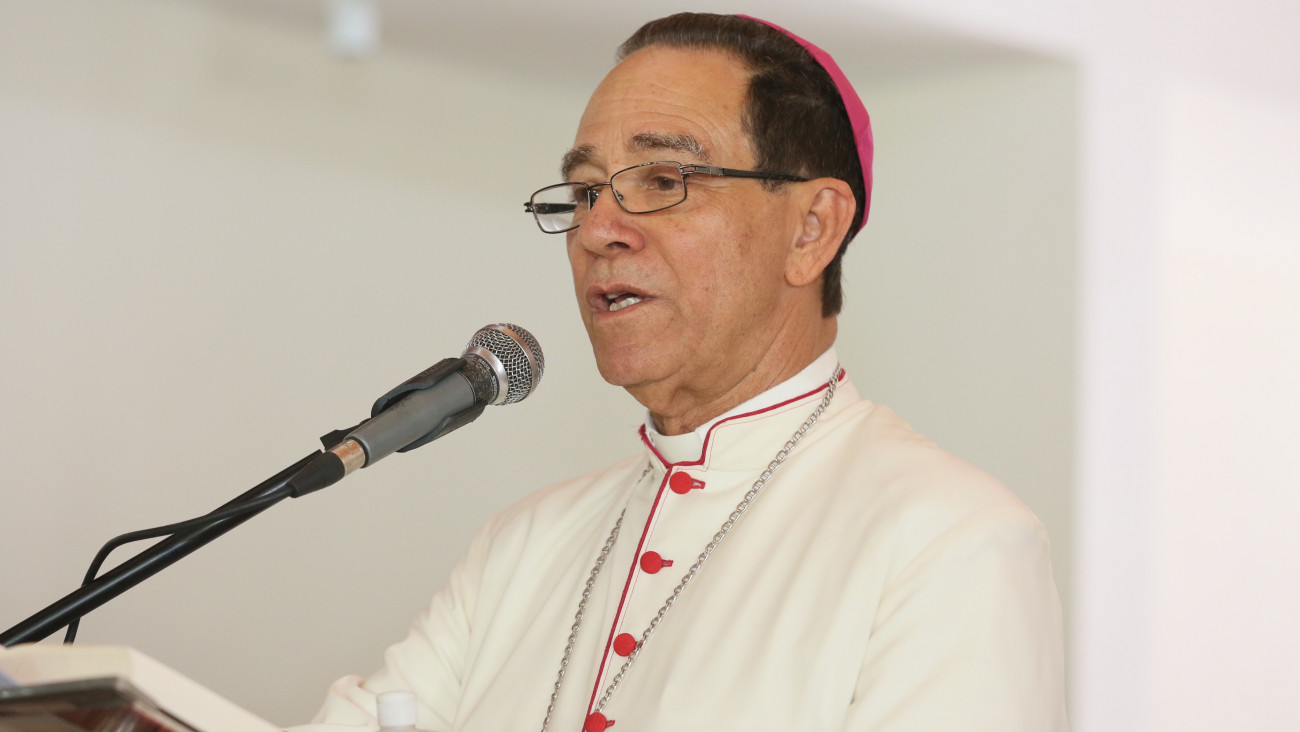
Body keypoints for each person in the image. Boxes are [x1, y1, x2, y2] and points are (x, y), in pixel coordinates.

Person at [296, 12, 1067, 732]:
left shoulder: (948, 542)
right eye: (586, 191)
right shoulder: (524, 544)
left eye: (664, 181)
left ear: (811, 228)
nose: (598, 230)